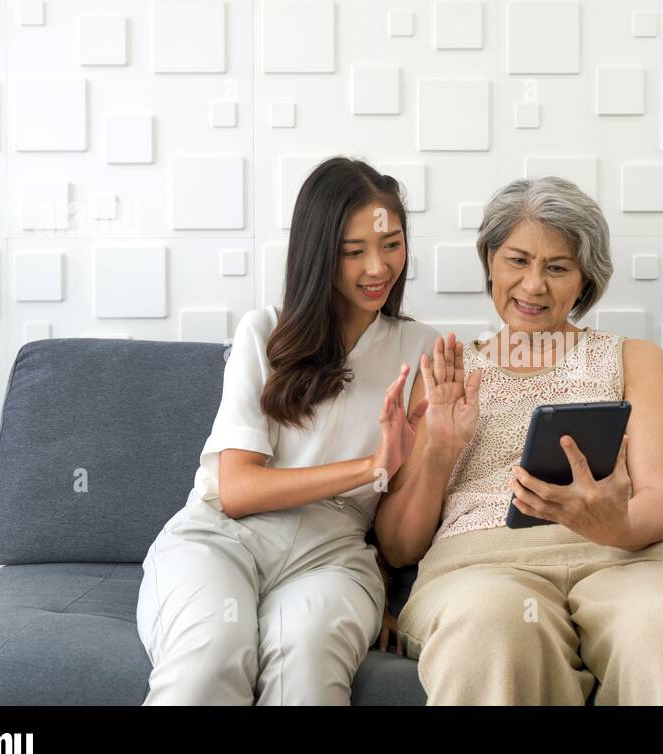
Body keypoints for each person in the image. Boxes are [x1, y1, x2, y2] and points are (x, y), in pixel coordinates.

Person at [373, 176, 663, 706]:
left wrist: (614, 522)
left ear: (584, 281)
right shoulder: (446, 370)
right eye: (517, 260)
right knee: (492, 631)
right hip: (480, 568)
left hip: (628, 560)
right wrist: (441, 446)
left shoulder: (635, 359)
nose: (533, 285)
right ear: (489, 260)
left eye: (557, 268)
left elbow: (662, 500)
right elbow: (398, 547)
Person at [135, 156, 440, 704]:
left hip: (335, 555)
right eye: (354, 252)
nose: (378, 267)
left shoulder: (423, 351)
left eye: (391, 244)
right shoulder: (265, 334)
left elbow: (400, 530)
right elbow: (237, 490)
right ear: (318, 253)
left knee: (307, 664)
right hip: (221, 539)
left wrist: (397, 594)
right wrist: (371, 468)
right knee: (211, 655)